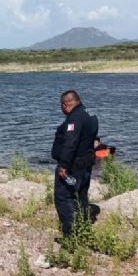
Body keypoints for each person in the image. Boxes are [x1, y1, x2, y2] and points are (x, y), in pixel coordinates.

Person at [51, 90, 99, 238]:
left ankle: (71, 236)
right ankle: (83, 227)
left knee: (63, 197)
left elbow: (70, 143)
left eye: (61, 106)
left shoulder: (74, 119)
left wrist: (63, 166)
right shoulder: (91, 114)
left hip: (73, 164)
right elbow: (92, 136)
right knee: (81, 194)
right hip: (86, 161)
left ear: (65, 104)